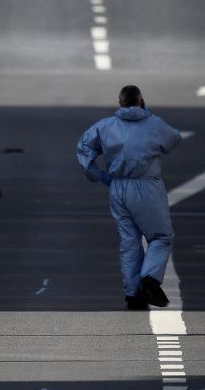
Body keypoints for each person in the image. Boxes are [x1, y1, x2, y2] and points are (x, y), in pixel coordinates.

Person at [77, 86, 181, 310]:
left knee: (129, 241)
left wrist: (101, 177)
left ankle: (133, 295)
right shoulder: (154, 124)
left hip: (117, 187)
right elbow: (173, 140)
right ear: (141, 101)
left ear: (120, 103)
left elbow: (84, 149)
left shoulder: (105, 126)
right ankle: (150, 280)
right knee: (161, 237)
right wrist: (148, 115)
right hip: (146, 186)